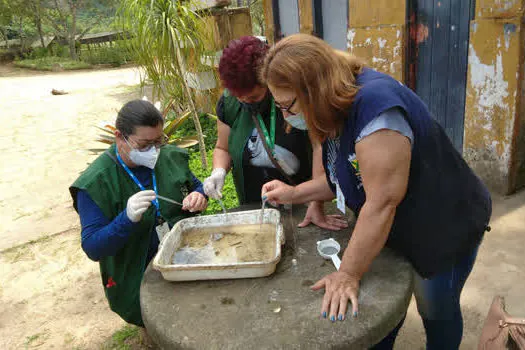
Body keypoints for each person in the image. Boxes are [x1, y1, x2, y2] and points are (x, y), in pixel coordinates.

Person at [260, 34, 492, 349]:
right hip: (403, 218)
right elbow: (347, 176)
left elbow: (381, 203)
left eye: (288, 106)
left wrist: (347, 275)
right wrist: (294, 193)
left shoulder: (376, 112)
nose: (287, 118)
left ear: (314, 90)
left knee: (435, 308)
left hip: (444, 222)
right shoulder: (334, 105)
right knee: (386, 303)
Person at [69, 100, 208, 326]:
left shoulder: (169, 156)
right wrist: (126, 219)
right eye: (143, 144)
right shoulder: (96, 182)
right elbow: (93, 248)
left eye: (158, 141)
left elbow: (195, 185)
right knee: (160, 322)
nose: (153, 151)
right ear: (119, 137)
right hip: (137, 273)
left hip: (185, 258)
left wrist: (200, 195)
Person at [203, 35, 347, 231]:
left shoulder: (291, 97)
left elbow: (318, 147)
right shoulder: (229, 103)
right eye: (239, 97)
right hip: (254, 205)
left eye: (253, 96)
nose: (245, 101)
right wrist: (218, 171)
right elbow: (222, 147)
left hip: (301, 201)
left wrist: (315, 203)